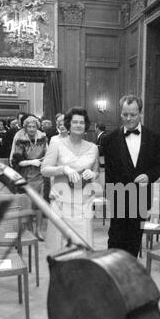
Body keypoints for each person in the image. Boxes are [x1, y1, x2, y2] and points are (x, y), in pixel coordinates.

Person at [100, 94, 160, 258]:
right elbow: (108, 172)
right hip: (119, 197)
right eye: (125, 114)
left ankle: (129, 275)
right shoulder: (109, 140)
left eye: (133, 114)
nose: (128, 118)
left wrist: (149, 175)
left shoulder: (154, 139)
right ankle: (114, 275)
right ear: (121, 113)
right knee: (115, 240)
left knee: (134, 240)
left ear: (141, 114)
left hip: (141, 196)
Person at [41, 107, 99, 253]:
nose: (79, 125)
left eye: (82, 122)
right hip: (62, 202)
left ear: (86, 125)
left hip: (83, 203)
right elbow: (44, 170)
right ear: (68, 125)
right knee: (61, 248)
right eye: (75, 122)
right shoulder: (56, 143)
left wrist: (92, 174)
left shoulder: (93, 148)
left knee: (82, 246)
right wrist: (63, 169)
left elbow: (97, 171)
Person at [10, 115, 47, 241]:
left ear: (37, 127)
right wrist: (31, 162)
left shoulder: (42, 138)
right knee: (29, 205)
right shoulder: (20, 140)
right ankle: (31, 230)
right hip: (26, 176)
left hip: (40, 176)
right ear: (25, 128)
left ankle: (39, 231)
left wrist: (43, 161)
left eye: (34, 126)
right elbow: (17, 162)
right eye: (29, 127)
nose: (32, 129)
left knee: (40, 204)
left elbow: (48, 154)